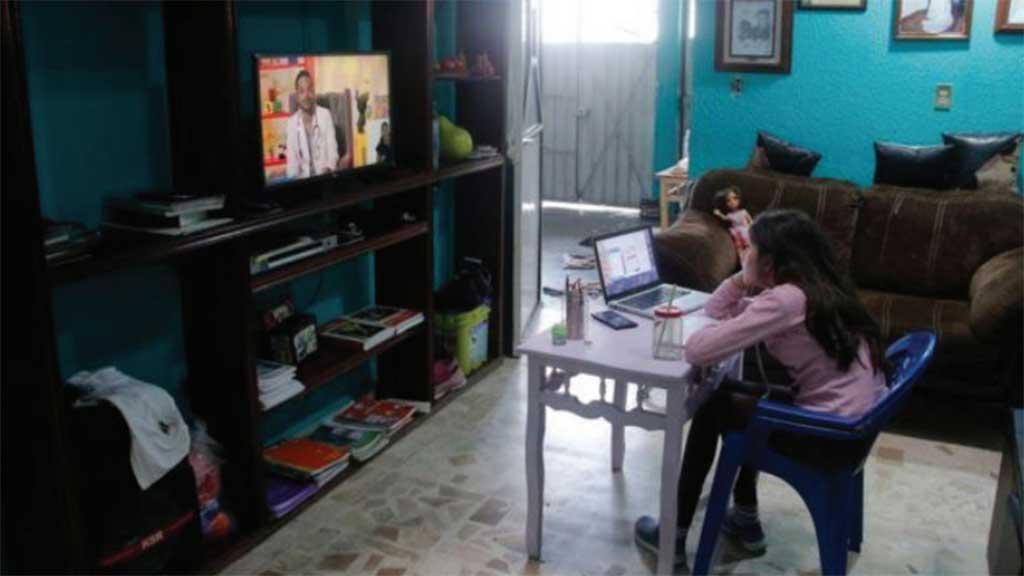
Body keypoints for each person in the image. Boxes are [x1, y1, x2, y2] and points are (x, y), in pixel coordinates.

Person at [634, 209, 888, 567]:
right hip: (854, 427)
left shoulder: (785, 301)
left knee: (713, 405)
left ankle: (672, 534)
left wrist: (739, 284)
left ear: (770, 262)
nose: (744, 253)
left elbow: (698, 349)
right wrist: (743, 282)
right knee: (744, 400)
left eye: (749, 249)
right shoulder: (817, 290)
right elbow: (723, 310)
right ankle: (745, 521)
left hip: (826, 436)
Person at [286, 70, 340, 179]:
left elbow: (333, 151)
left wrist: (329, 168)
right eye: (302, 91)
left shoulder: (325, 115)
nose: (306, 95)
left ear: (314, 92)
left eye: (310, 90)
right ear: (297, 96)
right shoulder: (291, 123)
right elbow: (292, 162)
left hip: (324, 177)